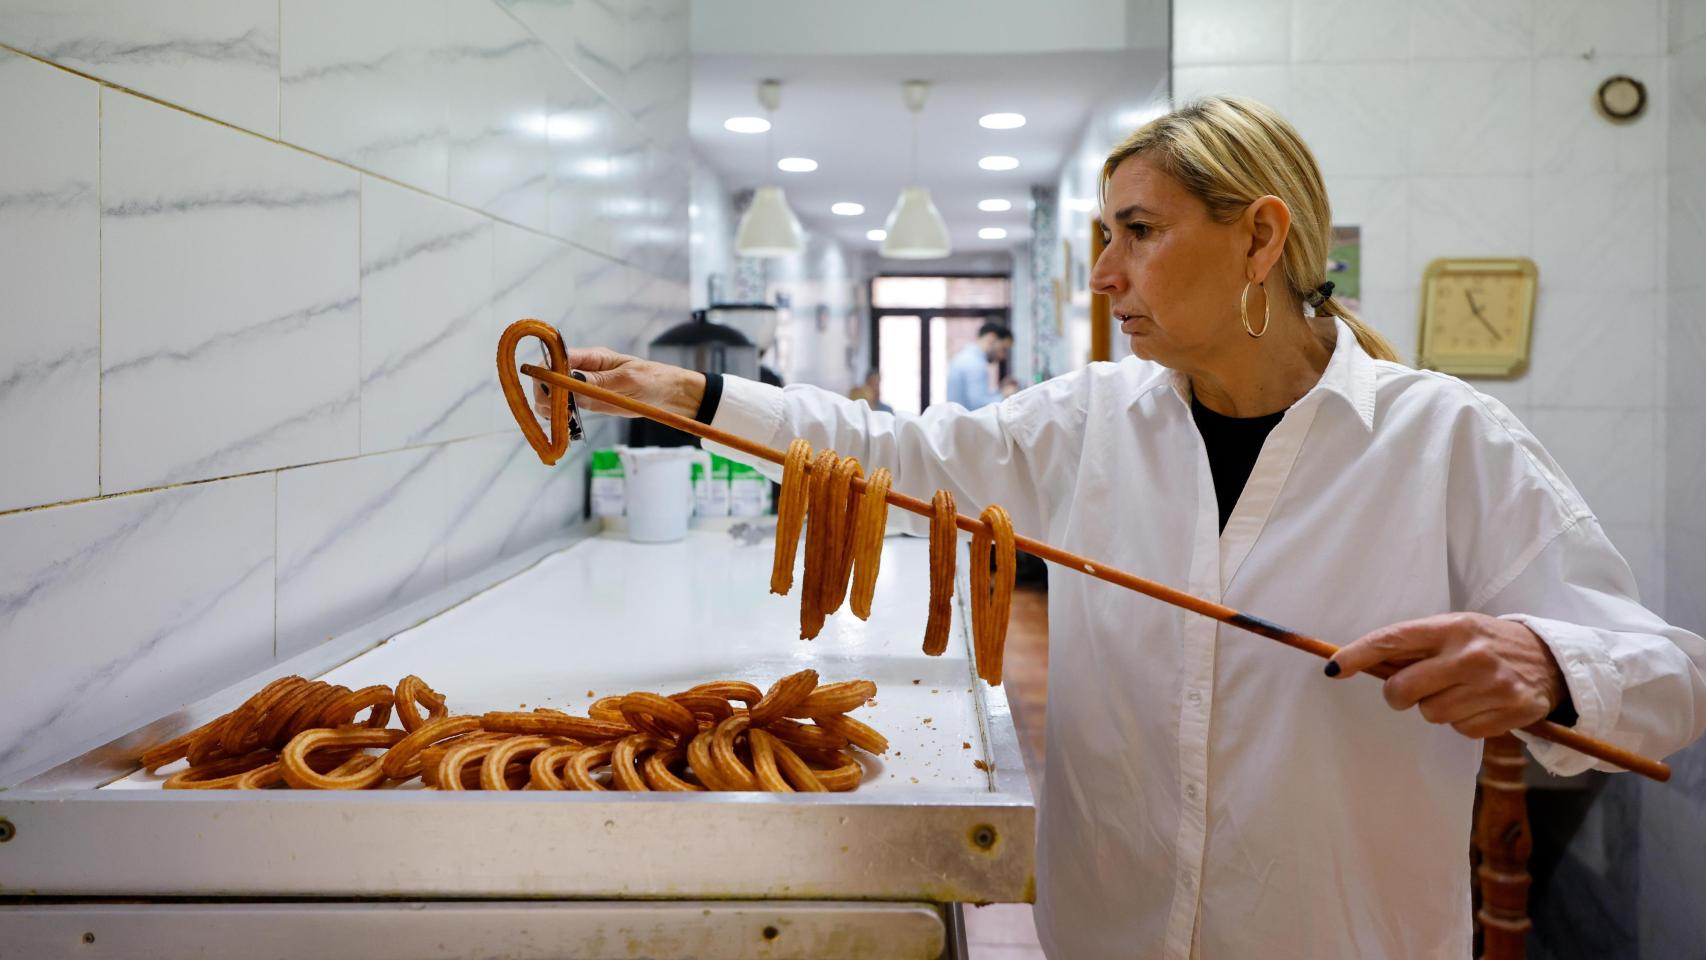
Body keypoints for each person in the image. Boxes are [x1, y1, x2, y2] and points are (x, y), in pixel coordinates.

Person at [542, 97, 1706, 959]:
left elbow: (1668, 677)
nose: (1103, 274)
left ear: (1258, 239)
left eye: (1135, 232)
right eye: (1104, 236)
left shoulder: (1443, 440)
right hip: (1108, 929)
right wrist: (692, 395)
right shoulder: (1091, 419)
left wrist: (1546, 662)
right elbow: (895, 453)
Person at [945, 321, 1015, 409]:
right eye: (1003, 349)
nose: (1003, 357)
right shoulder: (974, 364)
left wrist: (1000, 390)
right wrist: (1005, 396)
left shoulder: (966, 357)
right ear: (991, 338)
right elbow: (978, 405)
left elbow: (976, 398)